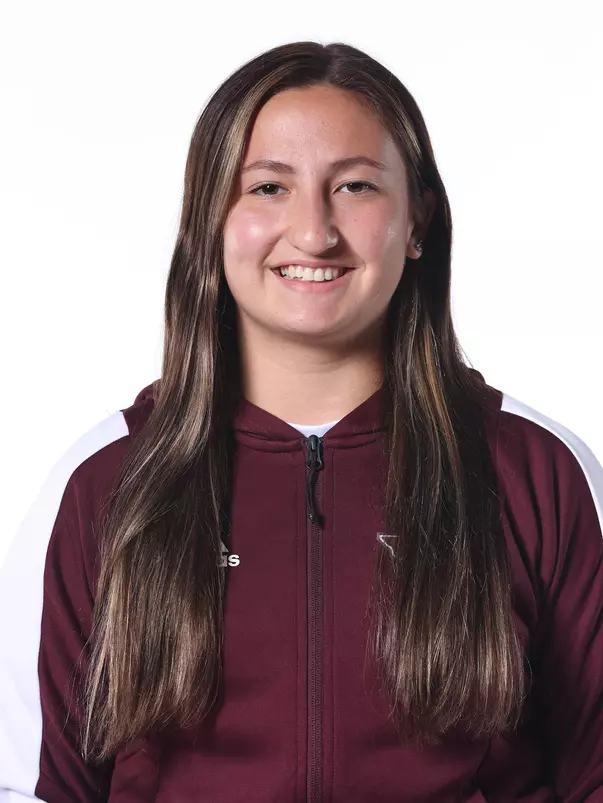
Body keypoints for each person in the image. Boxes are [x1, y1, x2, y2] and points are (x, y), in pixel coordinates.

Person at [1, 39, 603, 803]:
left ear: (416, 218)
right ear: (211, 218)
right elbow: (34, 786)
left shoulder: (533, 470)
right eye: (266, 189)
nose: (313, 231)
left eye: (353, 186)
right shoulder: (108, 483)